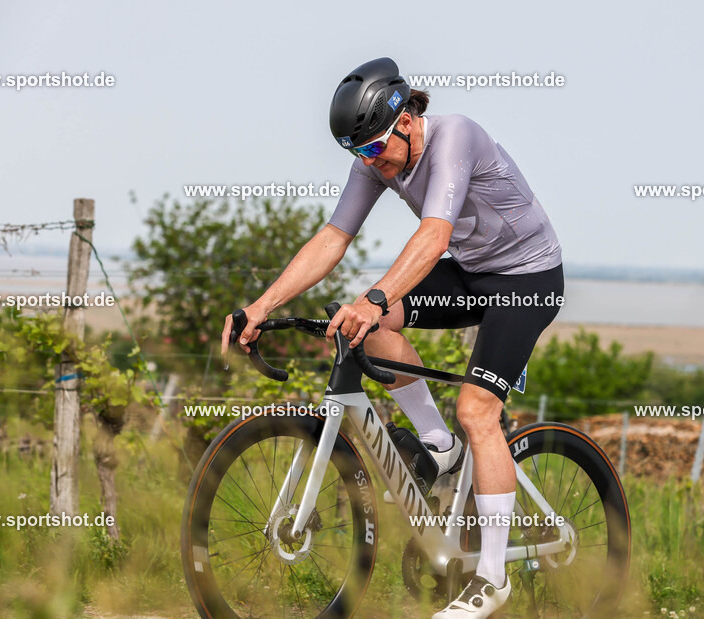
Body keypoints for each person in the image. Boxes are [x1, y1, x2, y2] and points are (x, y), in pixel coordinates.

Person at [222, 57, 563, 618]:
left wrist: (376, 297)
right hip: (472, 274)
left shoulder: (456, 136)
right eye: (358, 153)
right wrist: (261, 306)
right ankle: (439, 446)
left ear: (406, 119)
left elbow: (434, 236)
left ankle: (492, 578)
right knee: (366, 325)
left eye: (375, 149)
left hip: (526, 282)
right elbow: (333, 237)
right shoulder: (375, 157)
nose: (370, 162)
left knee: (477, 410)